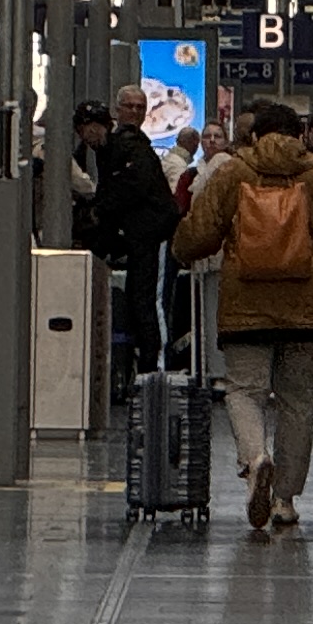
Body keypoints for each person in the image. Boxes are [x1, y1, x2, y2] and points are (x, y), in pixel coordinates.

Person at [169, 98, 313, 536]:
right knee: (297, 400)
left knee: (244, 390)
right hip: (307, 307)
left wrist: (181, 249)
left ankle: (255, 458)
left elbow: (199, 233)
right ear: (301, 135)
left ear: (254, 135)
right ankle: (285, 500)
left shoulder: (234, 172)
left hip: (246, 301)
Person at [76, 90, 175, 396]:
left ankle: (152, 369)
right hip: (141, 233)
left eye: (140, 106)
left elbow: (131, 187)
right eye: (129, 106)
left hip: (151, 233)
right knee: (139, 299)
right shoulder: (116, 147)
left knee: (146, 300)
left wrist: (100, 211)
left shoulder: (127, 146)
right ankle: (145, 368)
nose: (135, 111)